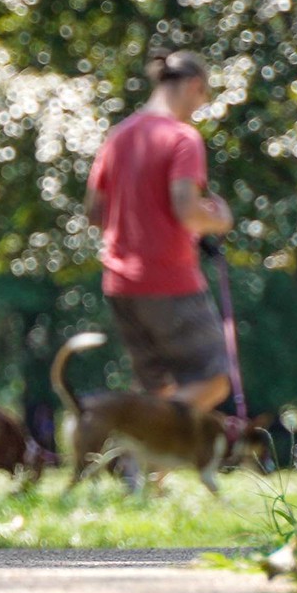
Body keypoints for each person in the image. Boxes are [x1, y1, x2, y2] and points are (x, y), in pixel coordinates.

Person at [84, 48, 235, 413]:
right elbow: (186, 210)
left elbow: (93, 211)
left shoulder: (118, 136)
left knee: (157, 386)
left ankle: (140, 464)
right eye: (202, 98)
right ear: (194, 86)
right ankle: (136, 432)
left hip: (120, 283)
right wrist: (220, 218)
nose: (198, 109)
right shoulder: (183, 138)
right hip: (170, 280)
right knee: (214, 381)